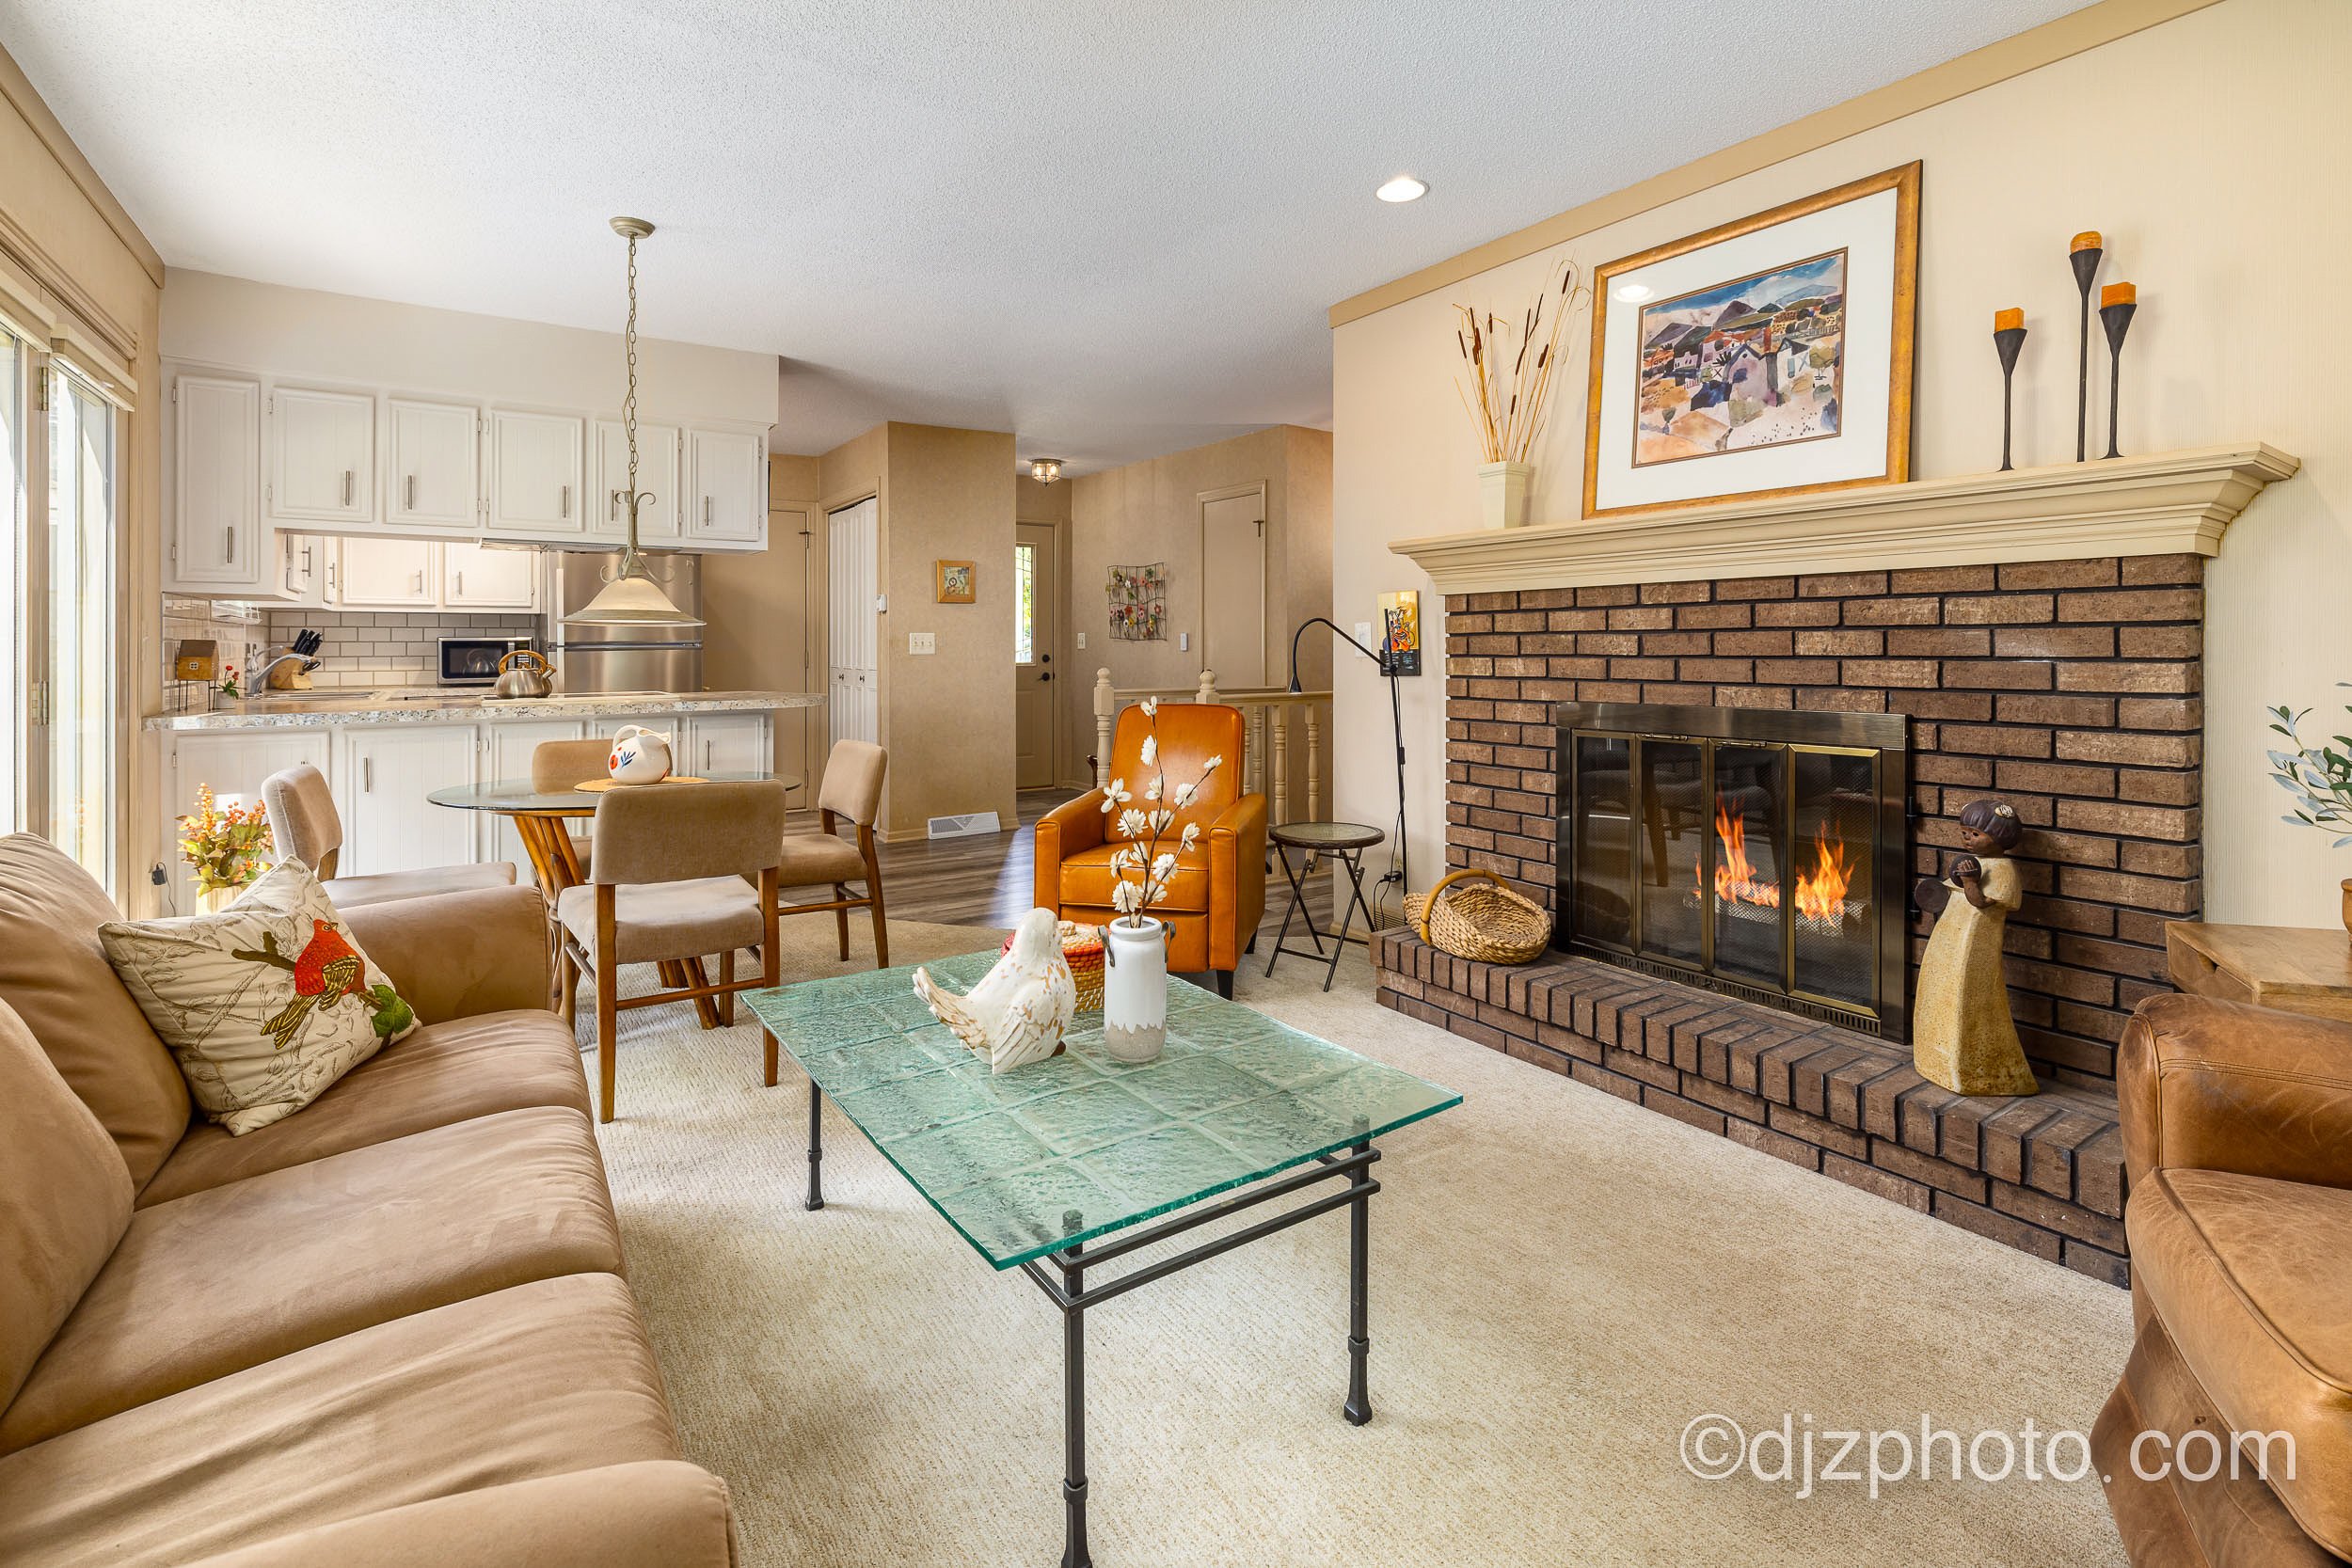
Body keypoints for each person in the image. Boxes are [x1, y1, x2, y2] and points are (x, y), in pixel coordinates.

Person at [1911, 799, 2040, 1097]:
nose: (1967, 839)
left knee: (1966, 997)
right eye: (1965, 833)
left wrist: (1969, 882)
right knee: (1941, 991)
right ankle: (1935, 1058)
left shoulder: (2003, 870)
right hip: (1949, 942)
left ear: (2001, 838)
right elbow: (1946, 892)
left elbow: (1981, 902)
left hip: (1973, 948)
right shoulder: (1974, 866)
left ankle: (1973, 1071)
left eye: (1975, 834)